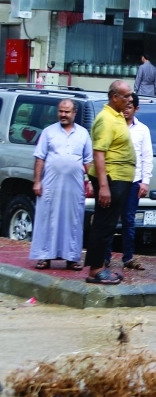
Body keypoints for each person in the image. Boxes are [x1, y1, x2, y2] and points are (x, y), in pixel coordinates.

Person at [29, 99, 93, 271]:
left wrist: (94, 183)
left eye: (67, 112)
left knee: (74, 220)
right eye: (61, 111)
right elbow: (40, 157)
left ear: (74, 113)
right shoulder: (48, 132)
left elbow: (88, 161)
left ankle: (72, 258)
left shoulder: (83, 134)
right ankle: (44, 257)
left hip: (74, 186)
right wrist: (37, 181)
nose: (63, 115)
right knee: (46, 219)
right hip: (50, 184)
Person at [84, 80, 136, 285]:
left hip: (119, 179)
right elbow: (99, 153)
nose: (130, 99)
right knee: (103, 224)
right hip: (111, 179)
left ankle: (101, 268)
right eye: (126, 96)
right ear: (115, 97)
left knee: (108, 224)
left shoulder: (117, 116)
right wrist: (104, 186)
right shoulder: (106, 119)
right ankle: (95, 269)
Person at [105, 93, 153, 271]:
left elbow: (146, 157)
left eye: (130, 106)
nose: (126, 109)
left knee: (128, 220)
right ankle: (105, 257)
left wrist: (145, 181)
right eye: (124, 105)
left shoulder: (143, 130)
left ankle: (128, 257)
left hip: (133, 181)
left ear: (136, 109)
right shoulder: (113, 125)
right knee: (109, 220)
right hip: (114, 179)